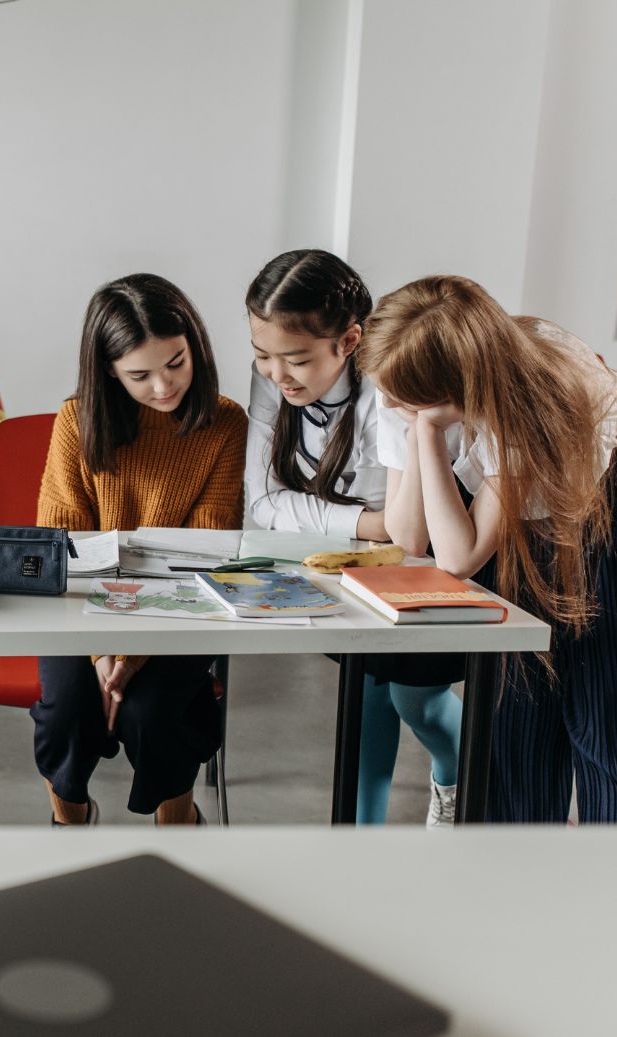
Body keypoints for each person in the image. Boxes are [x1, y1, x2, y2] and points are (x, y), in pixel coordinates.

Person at [361, 275, 617, 823]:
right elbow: (409, 538)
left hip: (607, 512)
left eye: (403, 398)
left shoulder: (529, 403)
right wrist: (419, 429)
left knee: (605, 717)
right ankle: (517, 873)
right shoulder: (405, 382)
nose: (386, 401)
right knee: (517, 715)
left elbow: (459, 557)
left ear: (457, 389)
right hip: (514, 523)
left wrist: (427, 434)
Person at [245, 249, 462, 826]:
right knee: (366, 699)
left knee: (416, 701)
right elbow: (263, 504)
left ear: (349, 341)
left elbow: (410, 530)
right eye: (261, 355)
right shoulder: (275, 380)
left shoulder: (390, 387)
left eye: (294, 359)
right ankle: (361, 841)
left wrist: (368, 523)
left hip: (435, 555)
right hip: (354, 564)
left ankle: (458, 780)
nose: (275, 374)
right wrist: (369, 523)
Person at [34, 274, 245, 826]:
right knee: (68, 716)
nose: (163, 386)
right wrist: (105, 653)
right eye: (140, 374)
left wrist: (132, 656)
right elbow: (64, 550)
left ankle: (178, 821)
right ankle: (68, 817)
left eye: (176, 362)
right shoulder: (75, 423)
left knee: (155, 715)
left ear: (193, 344)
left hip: (181, 609)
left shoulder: (224, 424)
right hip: (79, 612)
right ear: (107, 370)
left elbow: (205, 551)